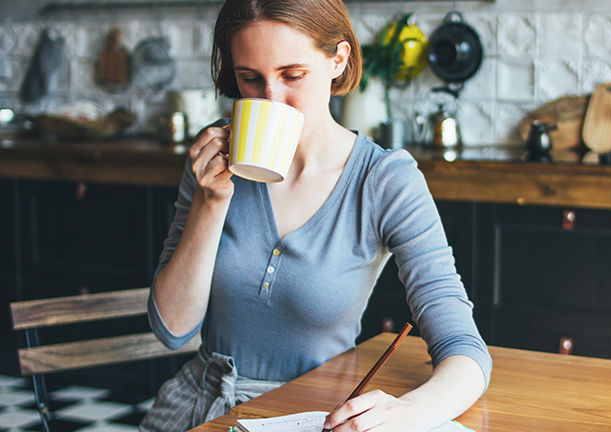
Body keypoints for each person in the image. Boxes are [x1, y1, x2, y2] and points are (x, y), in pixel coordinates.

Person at [140, 0, 491, 430]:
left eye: (292, 75)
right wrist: (209, 203)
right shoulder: (213, 159)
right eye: (250, 78)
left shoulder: (384, 180)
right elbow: (172, 328)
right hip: (196, 409)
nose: (272, 99)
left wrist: (411, 412)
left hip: (310, 415)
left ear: (338, 60)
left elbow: (464, 349)